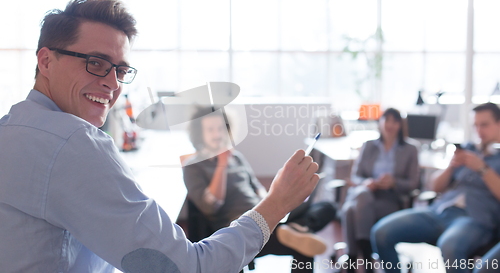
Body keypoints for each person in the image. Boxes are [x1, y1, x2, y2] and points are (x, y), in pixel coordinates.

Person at [0, 0, 320, 273]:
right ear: (45, 60)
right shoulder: (75, 143)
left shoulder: (11, 128)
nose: (112, 83)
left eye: (121, 70)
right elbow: (188, 267)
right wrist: (277, 203)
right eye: (95, 63)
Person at [183, 107, 335, 272]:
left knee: (327, 207)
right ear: (200, 133)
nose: (217, 134)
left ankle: (297, 227)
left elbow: (257, 188)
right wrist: (221, 165)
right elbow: (211, 206)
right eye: (211, 129)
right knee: (304, 245)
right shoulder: (193, 166)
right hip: (242, 227)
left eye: (220, 128)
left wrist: (273, 202)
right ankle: (294, 229)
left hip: (264, 212)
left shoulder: (236, 157)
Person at [372, 102, 500, 273]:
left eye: (484, 125)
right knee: (380, 233)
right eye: (475, 125)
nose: (478, 131)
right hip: (439, 211)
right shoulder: (469, 149)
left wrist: (482, 168)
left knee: (450, 246)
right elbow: (433, 186)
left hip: (474, 219)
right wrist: (450, 167)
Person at [341, 108, 419, 273]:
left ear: (400, 125)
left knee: (350, 210)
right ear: (380, 122)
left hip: (389, 198)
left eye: (394, 121)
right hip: (366, 194)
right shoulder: (369, 145)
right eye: (386, 120)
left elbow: (414, 183)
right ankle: (366, 255)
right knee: (360, 197)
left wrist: (393, 182)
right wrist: (367, 182)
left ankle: (354, 259)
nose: (390, 124)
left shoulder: (410, 149)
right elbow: (356, 176)